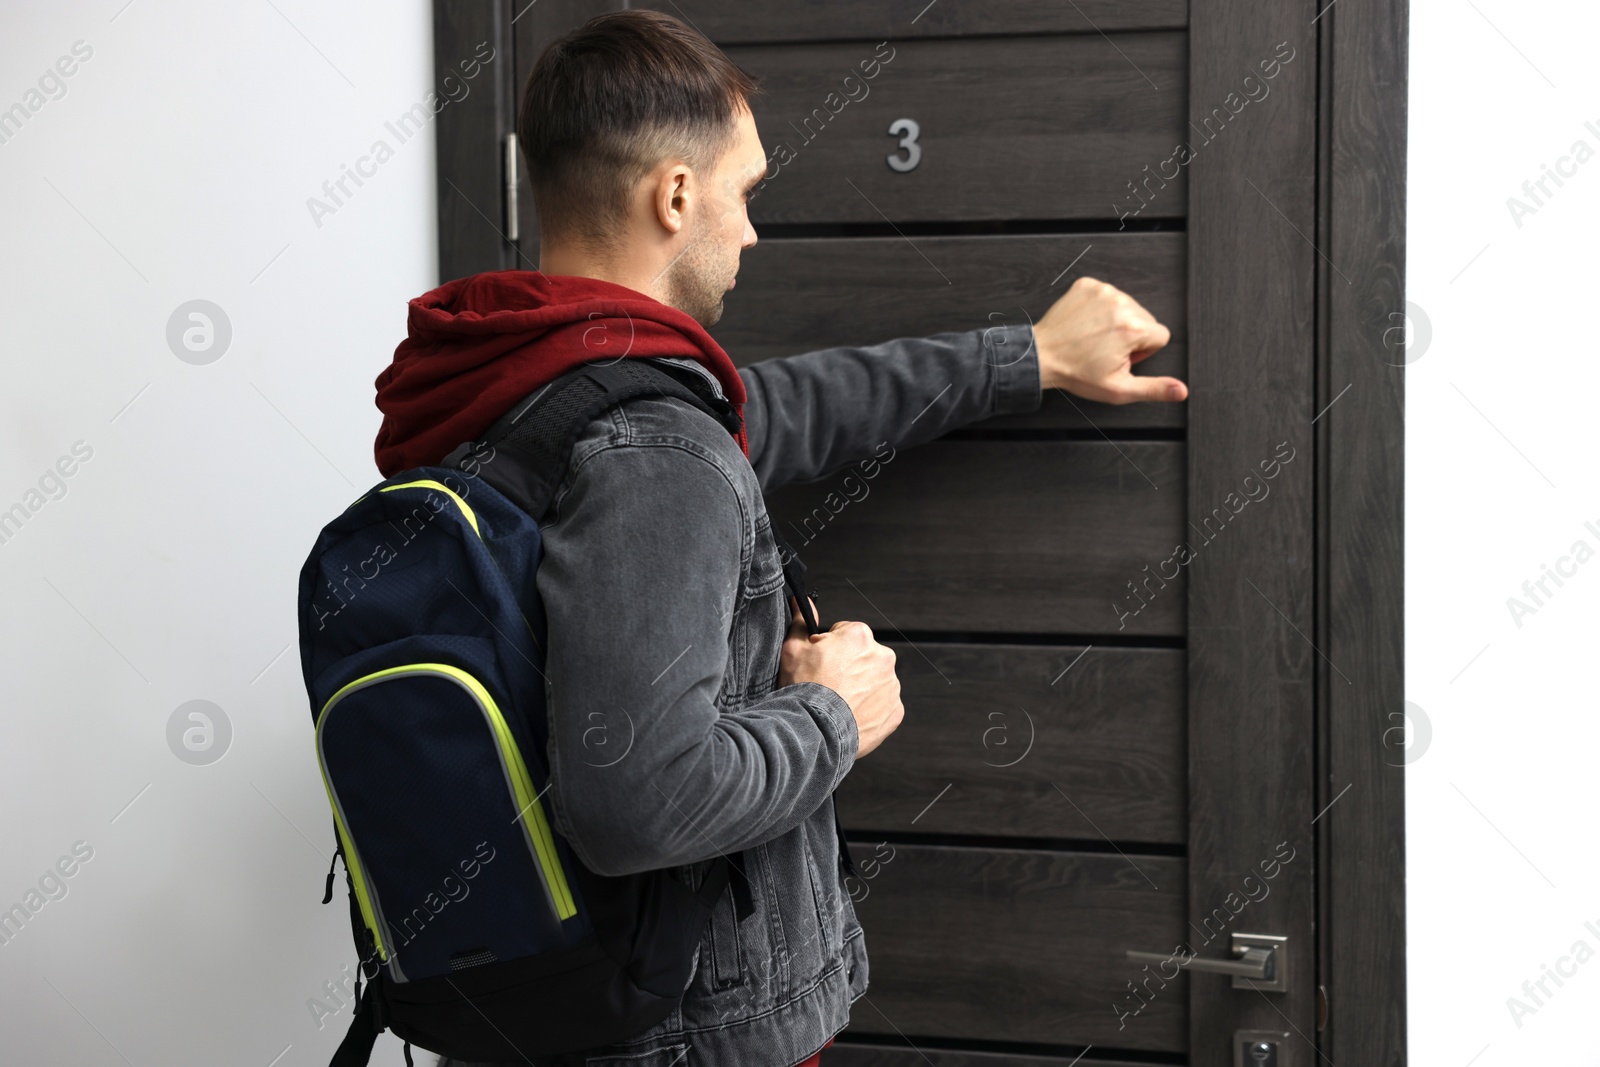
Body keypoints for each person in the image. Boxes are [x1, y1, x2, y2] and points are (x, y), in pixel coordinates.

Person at [371, 11, 1182, 1066]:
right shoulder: (651, 446)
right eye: (743, 192)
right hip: (681, 1032)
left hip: (547, 1002)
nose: (752, 230)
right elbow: (640, 805)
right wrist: (830, 712)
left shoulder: (509, 391)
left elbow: (775, 410)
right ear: (673, 195)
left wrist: (1025, 355)